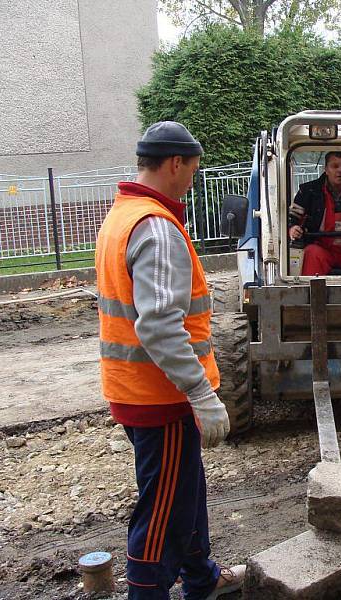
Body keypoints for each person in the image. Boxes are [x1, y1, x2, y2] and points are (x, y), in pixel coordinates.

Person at [95, 121, 244, 599]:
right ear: (175, 163)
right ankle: (147, 592)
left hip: (141, 389)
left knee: (186, 493)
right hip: (161, 395)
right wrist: (201, 392)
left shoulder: (124, 213)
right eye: (194, 169)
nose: (194, 179)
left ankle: (201, 578)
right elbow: (159, 326)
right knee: (160, 511)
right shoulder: (156, 228)